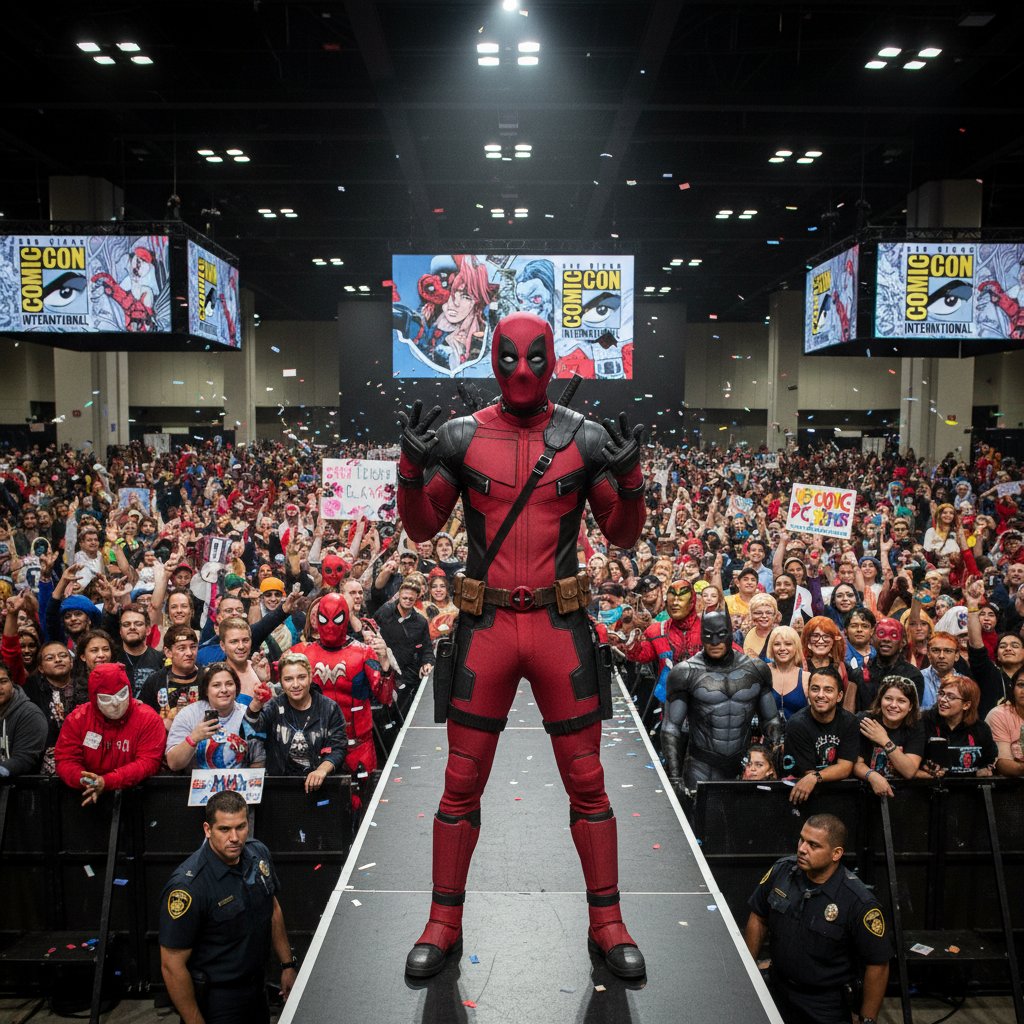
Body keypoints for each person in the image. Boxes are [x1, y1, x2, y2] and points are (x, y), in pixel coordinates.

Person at [396, 311, 647, 979]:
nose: (523, 371)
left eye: (535, 357)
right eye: (509, 357)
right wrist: (408, 471)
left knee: (588, 782)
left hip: (559, 630)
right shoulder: (462, 436)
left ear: (553, 359)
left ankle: (608, 921)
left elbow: (622, 534)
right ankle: (442, 921)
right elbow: (422, 528)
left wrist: (631, 481)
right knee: (460, 782)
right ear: (493, 358)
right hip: (489, 629)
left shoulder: (583, 438)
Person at [159, 790, 297, 1024]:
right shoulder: (188, 887)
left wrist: (288, 965)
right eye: (224, 829)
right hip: (218, 1001)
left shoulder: (258, 853)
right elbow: (172, 965)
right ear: (207, 829)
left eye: (241, 827)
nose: (235, 837)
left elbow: (271, 908)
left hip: (257, 989)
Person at [744, 814, 891, 1024]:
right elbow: (759, 917)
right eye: (801, 840)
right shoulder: (782, 871)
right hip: (777, 988)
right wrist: (747, 972)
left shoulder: (859, 902)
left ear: (836, 853)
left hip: (824, 1005)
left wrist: (868, 1020)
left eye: (813, 845)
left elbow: (878, 964)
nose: (802, 849)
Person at [661, 607, 782, 795]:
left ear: (731, 634)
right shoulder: (685, 672)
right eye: (708, 635)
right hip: (701, 765)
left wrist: (772, 759)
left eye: (721, 634)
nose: (715, 642)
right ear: (701, 635)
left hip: (743, 767)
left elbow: (771, 720)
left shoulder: (756, 669)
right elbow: (671, 728)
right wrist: (675, 777)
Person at [291, 593, 393, 786]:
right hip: (316, 744)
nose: (330, 626)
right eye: (324, 619)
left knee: (363, 799)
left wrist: (385, 664)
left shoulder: (364, 653)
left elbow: (385, 697)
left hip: (357, 744)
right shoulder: (302, 653)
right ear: (316, 619)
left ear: (346, 618)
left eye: (336, 619)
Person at [54, 662, 166, 806]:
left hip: (138, 800)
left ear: (129, 690)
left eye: (122, 694)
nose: (116, 703)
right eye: (106, 699)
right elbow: (66, 759)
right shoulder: (78, 719)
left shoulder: (148, 718)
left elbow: (148, 762)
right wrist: (85, 781)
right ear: (94, 698)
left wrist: (107, 781)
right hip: (86, 798)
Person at [242, 651, 347, 789]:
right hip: (281, 787)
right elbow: (249, 734)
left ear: (310, 677)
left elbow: (338, 747)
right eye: (288, 679)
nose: (295, 684)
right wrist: (255, 705)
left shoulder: (329, 708)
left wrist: (322, 770)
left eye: (301, 677)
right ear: (281, 682)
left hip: (321, 786)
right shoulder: (274, 707)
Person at [166, 663, 265, 772]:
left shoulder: (247, 715)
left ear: (236, 688)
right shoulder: (188, 714)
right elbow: (173, 763)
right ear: (206, 690)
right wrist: (193, 738)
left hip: (239, 781)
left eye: (229, 684)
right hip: (198, 782)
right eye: (216, 685)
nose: (224, 690)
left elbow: (258, 762)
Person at [783, 665, 858, 805]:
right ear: (808, 692)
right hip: (806, 795)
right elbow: (807, 774)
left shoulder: (850, 722)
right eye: (815, 689)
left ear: (839, 696)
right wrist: (813, 777)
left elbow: (845, 768)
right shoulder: (797, 724)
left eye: (828, 690)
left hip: (841, 793)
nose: (820, 695)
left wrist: (815, 776)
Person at [853, 676, 925, 797]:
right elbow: (855, 764)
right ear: (880, 700)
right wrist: (873, 776)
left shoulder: (915, 726)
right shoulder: (865, 720)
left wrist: (884, 740)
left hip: (902, 795)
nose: (893, 705)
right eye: (888, 699)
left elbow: (909, 771)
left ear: (910, 706)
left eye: (901, 701)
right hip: (865, 793)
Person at [917, 675, 995, 778]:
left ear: (966, 705)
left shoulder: (981, 729)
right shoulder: (924, 722)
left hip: (969, 786)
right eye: (941, 694)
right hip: (931, 785)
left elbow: (989, 762)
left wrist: (984, 770)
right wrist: (924, 767)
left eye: (951, 697)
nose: (943, 699)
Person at [846, 617, 924, 713]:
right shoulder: (858, 674)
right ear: (872, 638)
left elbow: (913, 715)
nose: (886, 639)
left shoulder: (913, 676)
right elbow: (848, 714)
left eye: (894, 635)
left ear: (903, 642)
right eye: (881, 633)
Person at [140, 624, 202, 729]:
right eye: (182, 648)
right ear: (168, 652)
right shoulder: (155, 681)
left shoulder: (208, 678)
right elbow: (144, 719)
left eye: (193, 647)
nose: (189, 653)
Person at [0, 660, 47, 779]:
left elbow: (24, 759)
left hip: (19, 786)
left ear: (12, 682)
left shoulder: (30, 714)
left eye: (3, 681)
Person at [985, 674, 1024, 777]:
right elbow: (1003, 764)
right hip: (1008, 784)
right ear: (1012, 689)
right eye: (1021, 685)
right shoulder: (999, 715)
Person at [767, 625, 807, 721]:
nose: (782, 648)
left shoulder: (806, 677)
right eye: (777, 644)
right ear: (771, 647)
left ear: (796, 647)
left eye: (788, 644)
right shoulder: (763, 671)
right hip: (766, 730)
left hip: (798, 730)